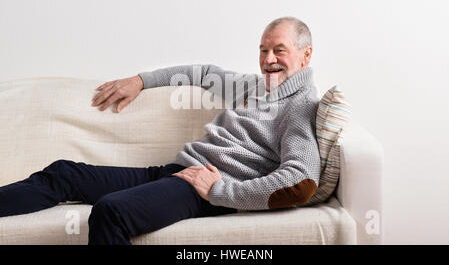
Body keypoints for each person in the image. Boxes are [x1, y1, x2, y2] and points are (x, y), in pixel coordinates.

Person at [0, 16, 321, 245]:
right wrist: (141, 80)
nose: (268, 60)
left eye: (279, 50)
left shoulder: (300, 106)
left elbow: (301, 183)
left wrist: (220, 192)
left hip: (202, 192)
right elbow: (204, 72)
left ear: (305, 55)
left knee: (111, 212)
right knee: (63, 174)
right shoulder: (255, 86)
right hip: (176, 172)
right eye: (263, 50)